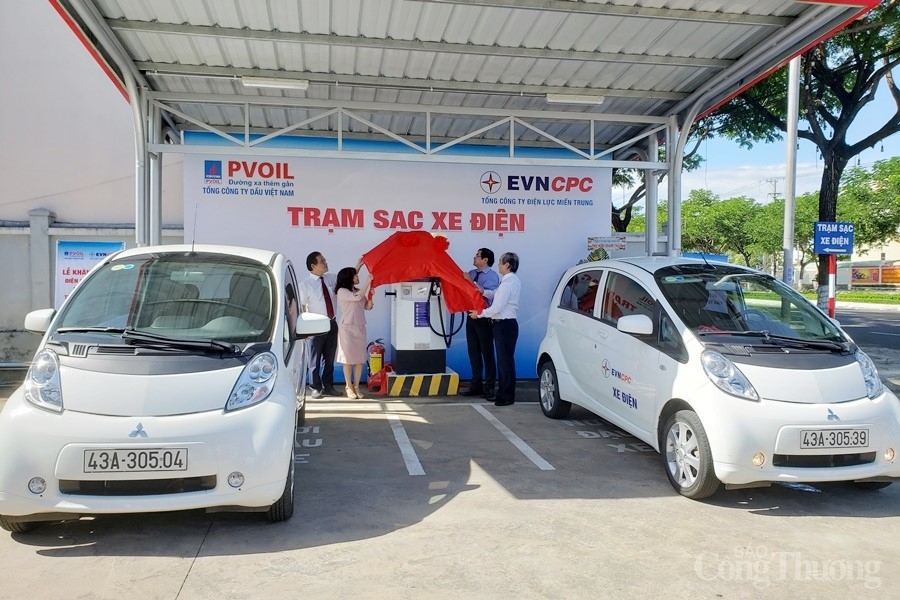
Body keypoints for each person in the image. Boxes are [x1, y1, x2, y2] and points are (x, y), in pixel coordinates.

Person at [468, 252, 520, 407]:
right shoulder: (509, 281)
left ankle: (505, 396)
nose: (498, 265)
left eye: (500, 262)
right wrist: (482, 291)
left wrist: (480, 314)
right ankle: (505, 393)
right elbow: (493, 295)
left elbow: (497, 307)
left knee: (505, 362)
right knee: (506, 362)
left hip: (503, 324)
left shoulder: (507, 284)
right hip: (505, 325)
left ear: (507, 265)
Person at [461, 248, 500, 401]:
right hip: (471, 316)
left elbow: (487, 295)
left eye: (477, 256)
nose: (474, 257)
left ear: (485, 260)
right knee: (473, 352)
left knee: (487, 353)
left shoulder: (491, 276)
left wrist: (471, 282)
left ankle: (490, 387)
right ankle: (475, 385)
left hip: (484, 318)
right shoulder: (471, 272)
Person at [298, 251, 339, 398]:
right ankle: (315, 387)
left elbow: (347, 278)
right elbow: (302, 308)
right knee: (315, 359)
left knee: (329, 358)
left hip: (332, 323)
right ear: (313, 265)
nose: (325, 263)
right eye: (322, 261)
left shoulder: (331, 278)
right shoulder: (305, 285)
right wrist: (304, 328)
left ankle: (328, 386)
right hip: (315, 325)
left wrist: (359, 265)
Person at [334, 262, 374, 399]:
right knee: (347, 359)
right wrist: (367, 282)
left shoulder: (358, 291)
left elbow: (367, 307)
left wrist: (371, 300)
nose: (358, 277)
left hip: (360, 327)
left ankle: (356, 386)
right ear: (349, 278)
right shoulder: (342, 291)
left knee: (359, 359)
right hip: (347, 328)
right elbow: (356, 298)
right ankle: (348, 386)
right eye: (355, 275)